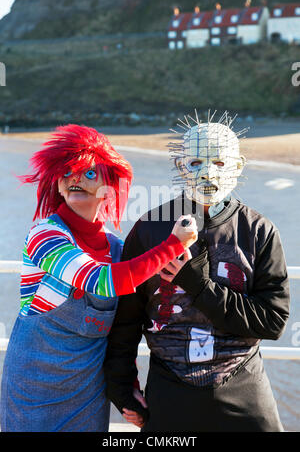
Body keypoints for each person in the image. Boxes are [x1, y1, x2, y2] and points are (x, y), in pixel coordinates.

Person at [0, 124, 198, 432]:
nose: (76, 179)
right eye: (67, 172)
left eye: (89, 173)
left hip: (87, 392)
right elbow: (101, 280)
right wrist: (173, 245)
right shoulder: (45, 235)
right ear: (58, 184)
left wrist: (127, 390)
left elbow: (123, 326)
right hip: (32, 390)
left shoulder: (118, 249)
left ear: (109, 185)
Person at [104, 111, 290, 432]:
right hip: (169, 387)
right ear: (180, 167)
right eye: (194, 164)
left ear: (238, 166)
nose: (207, 173)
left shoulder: (259, 231)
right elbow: (126, 319)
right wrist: (122, 391)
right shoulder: (149, 230)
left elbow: (272, 322)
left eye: (219, 163)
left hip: (243, 384)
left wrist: (199, 286)